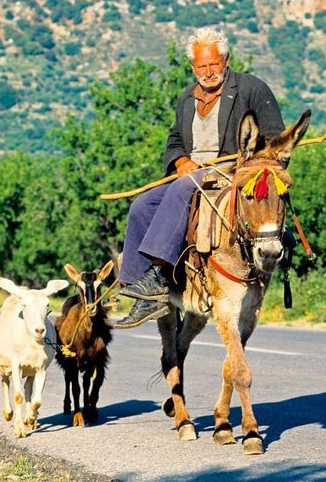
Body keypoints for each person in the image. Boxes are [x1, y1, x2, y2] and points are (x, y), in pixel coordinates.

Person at [115, 28, 285, 327]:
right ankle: (136, 287)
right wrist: (180, 160)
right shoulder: (187, 98)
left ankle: (159, 276)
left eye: (213, 64)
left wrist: (248, 162)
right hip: (192, 175)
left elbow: (275, 142)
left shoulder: (252, 89)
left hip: (232, 173)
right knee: (141, 207)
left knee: (183, 188)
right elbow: (174, 142)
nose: (208, 72)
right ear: (193, 68)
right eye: (201, 66)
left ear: (226, 60)